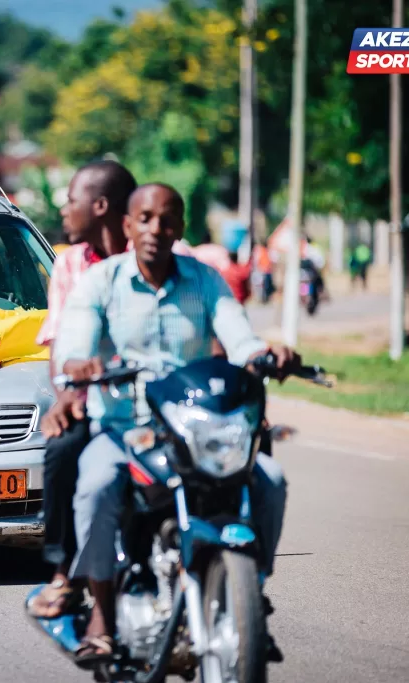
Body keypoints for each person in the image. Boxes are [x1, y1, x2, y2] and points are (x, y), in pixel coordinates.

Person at [54, 184, 297, 663]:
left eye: (167, 220)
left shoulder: (206, 282)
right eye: (144, 219)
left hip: (194, 431)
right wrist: (80, 364)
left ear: (180, 228)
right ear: (127, 226)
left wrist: (267, 354)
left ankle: (253, 593)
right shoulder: (101, 283)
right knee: (97, 485)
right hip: (125, 429)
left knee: (269, 480)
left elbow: (240, 338)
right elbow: (73, 344)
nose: (155, 230)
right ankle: (102, 611)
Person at [26, 160, 136, 619]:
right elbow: (60, 342)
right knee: (60, 452)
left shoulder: (159, 256)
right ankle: (63, 575)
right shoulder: (70, 263)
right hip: (91, 400)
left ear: (101, 205)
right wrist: (66, 398)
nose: (64, 211)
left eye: (71, 201)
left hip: (155, 401)